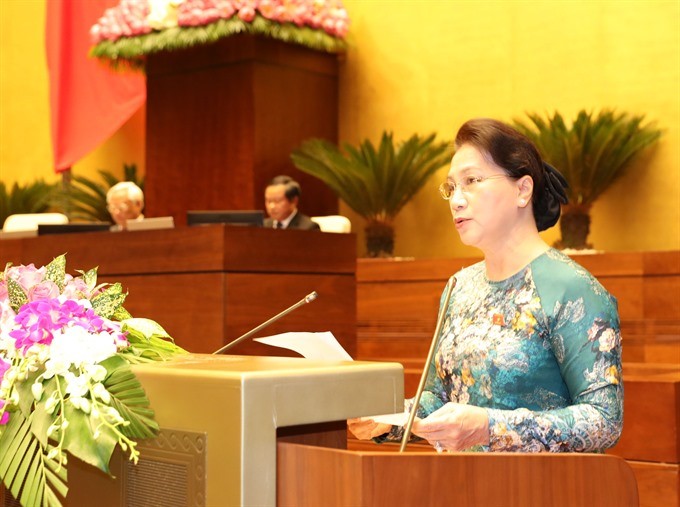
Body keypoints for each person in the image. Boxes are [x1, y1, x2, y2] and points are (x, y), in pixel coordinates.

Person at [349, 118, 623, 453]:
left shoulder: (573, 289)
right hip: (462, 486)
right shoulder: (459, 287)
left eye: (472, 181)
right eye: (451, 188)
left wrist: (490, 428)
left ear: (522, 189)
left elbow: (605, 419)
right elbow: (440, 399)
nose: (456, 200)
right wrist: (389, 419)